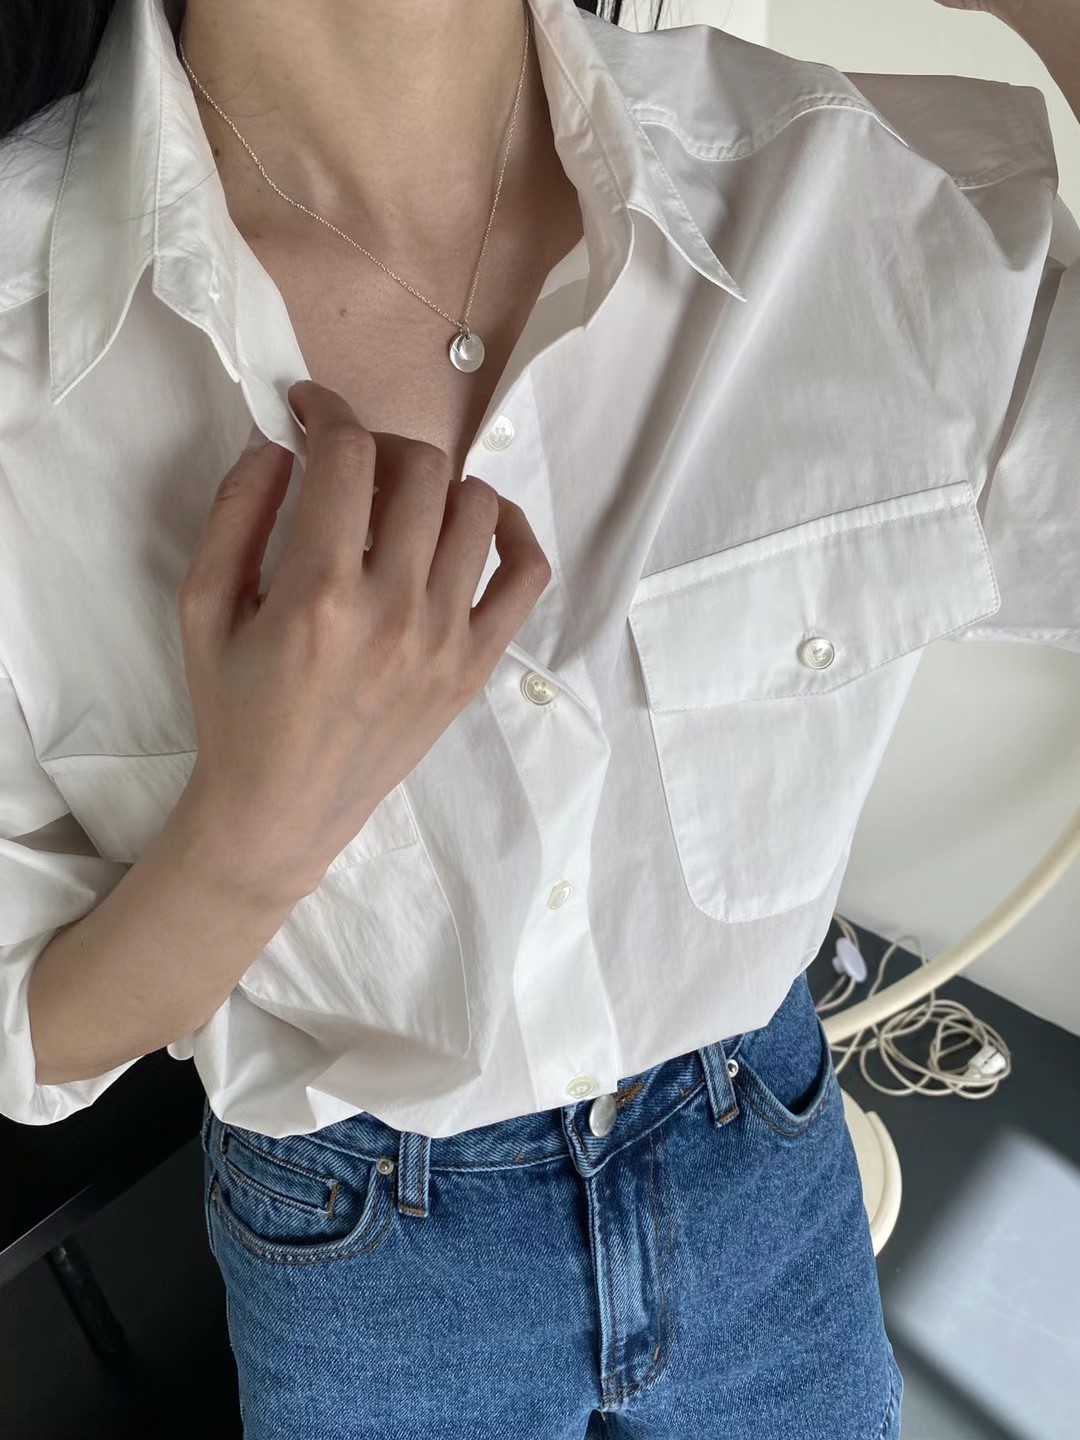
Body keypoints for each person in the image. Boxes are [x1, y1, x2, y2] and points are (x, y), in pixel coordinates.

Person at [1, 0, 1077, 1434]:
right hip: (366, 1266)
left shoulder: (851, 190)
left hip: (767, 1164)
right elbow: (27, 1035)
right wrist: (248, 841)